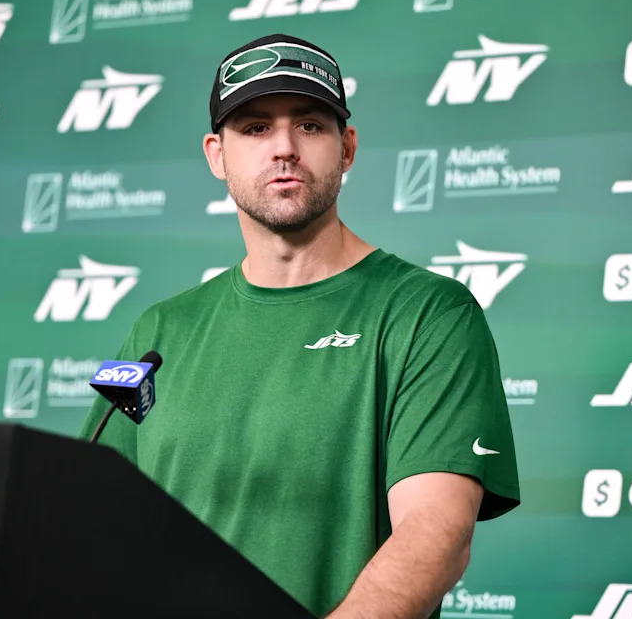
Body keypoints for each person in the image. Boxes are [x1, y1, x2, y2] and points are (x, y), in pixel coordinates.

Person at [78, 33, 520, 619]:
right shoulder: (159, 331)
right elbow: (93, 530)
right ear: (217, 154)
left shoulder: (428, 314)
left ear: (347, 147)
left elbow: (435, 533)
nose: (283, 147)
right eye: (255, 128)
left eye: (310, 125)